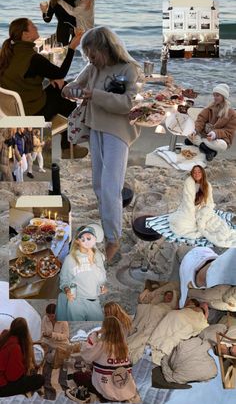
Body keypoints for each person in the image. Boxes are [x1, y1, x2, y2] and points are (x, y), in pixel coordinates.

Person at [62, 26, 143, 262]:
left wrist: (92, 95)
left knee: (110, 188)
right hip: (95, 127)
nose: (90, 59)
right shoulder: (93, 66)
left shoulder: (131, 69)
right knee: (98, 184)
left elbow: (129, 103)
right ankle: (109, 222)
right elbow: (76, 84)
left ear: (106, 48)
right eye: (87, 54)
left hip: (118, 132)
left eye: (93, 53)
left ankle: (113, 239)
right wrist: (69, 89)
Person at [0, 17, 87, 159]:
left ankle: (68, 146)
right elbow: (60, 73)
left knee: (59, 87)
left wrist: (51, 77)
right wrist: (72, 47)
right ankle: (68, 147)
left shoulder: (5, 54)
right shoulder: (32, 58)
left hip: (14, 112)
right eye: (33, 26)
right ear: (25, 35)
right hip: (32, 114)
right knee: (66, 91)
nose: (36, 28)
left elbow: (24, 75)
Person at [167, 165, 236, 247]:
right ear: (192, 174)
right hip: (189, 209)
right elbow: (187, 202)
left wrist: (205, 212)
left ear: (202, 173)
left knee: (215, 225)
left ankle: (222, 234)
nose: (197, 174)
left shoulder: (207, 185)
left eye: (199, 172)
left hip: (202, 209)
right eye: (194, 172)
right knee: (180, 224)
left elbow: (210, 202)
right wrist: (192, 217)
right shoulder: (188, 183)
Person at [75, 316, 139, 403]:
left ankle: (95, 396)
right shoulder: (125, 347)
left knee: (78, 375)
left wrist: (95, 333)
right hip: (127, 392)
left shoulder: (102, 345)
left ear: (105, 329)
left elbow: (87, 355)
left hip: (107, 392)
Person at [56, 225, 107, 321]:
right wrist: (67, 290)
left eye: (89, 238)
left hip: (93, 300)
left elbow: (102, 279)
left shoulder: (98, 257)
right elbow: (64, 281)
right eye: (82, 239)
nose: (86, 242)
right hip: (76, 300)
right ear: (77, 241)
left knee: (98, 325)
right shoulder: (69, 259)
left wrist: (92, 262)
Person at [185, 84, 236, 161]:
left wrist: (215, 134)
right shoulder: (209, 108)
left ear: (223, 97)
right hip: (205, 135)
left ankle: (199, 144)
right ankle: (208, 150)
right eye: (214, 95)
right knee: (189, 134)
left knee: (222, 145)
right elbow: (200, 120)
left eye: (217, 95)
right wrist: (195, 130)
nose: (215, 97)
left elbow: (229, 131)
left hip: (219, 139)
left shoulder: (231, 113)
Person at [0, 317, 44, 397]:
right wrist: (24, 368)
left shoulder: (4, 335)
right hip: (2, 385)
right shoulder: (15, 347)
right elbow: (12, 377)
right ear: (24, 332)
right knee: (39, 379)